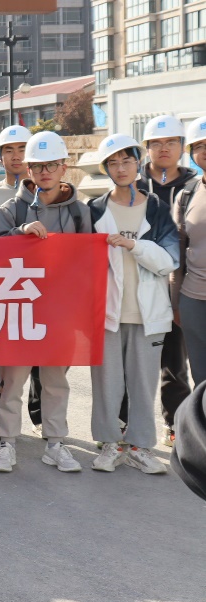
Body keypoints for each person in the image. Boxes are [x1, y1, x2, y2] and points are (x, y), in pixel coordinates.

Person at [0, 131, 93, 474]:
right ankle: (7, 442)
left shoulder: (79, 212)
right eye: (38, 166)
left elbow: (88, 262)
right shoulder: (12, 209)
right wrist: (19, 233)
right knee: (12, 381)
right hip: (20, 306)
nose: (44, 172)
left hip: (60, 311)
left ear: (64, 167)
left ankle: (55, 443)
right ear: (29, 169)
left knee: (55, 382)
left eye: (51, 165)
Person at [88, 134, 175, 475]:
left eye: (126, 160)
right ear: (105, 168)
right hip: (106, 312)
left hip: (147, 313)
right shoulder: (94, 210)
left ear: (138, 163)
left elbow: (169, 261)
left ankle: (140, 447)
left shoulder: (158, 209)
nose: (121, 168)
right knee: (106, 385)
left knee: (143, 385)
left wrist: (133, 246)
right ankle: (109, 444)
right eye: (113, 162)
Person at [137, 114, 201, 445]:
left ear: (182, 147)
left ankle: (176, 424)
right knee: (134, 361)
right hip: (138, 287)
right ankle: (127, 426)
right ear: (147, 148)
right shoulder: (131, 185)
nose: (164, 148)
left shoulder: (193, 187)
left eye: (171, 142)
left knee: (175, 362)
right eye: (157, 143)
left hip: (179, 287)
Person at [0, 125, 41, 436]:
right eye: (9, 150)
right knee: (2, 359)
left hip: (43, 287)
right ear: (0, 156)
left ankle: (39, 415)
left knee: (42, 357)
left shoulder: (52, 191)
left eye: (22, 149)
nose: (16, 156)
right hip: (5, 287)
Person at [174, 117, 206, 431]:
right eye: (199, 146)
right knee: (202, 379)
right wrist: (176, 303)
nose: (205, 150)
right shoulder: (187, 195)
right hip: (193, 300)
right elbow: (178, 255)